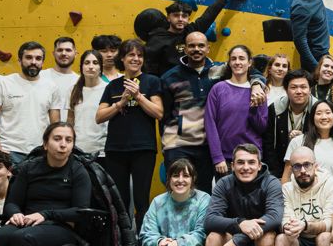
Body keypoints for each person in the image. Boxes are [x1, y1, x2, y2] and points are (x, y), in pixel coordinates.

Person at [0, 121, 92, 246]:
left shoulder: (78, 171)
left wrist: (46, 214)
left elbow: (80, 212)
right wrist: (15, 214)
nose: (63, 144)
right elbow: (11, 203)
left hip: (61, 226)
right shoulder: (28, 168)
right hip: (27, 221)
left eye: (68, 140)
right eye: (57, 139)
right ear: (45, 143)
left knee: (23, 238)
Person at [97, 38, 164, 227]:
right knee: (120, 199)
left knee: (142, 199)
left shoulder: (152, 81)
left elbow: (158, 113)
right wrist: (121, 102)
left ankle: (144, 242)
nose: (136, 59)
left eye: (139, 55)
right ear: (123, 59)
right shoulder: (113, 86)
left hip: (144, 148)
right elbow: (99, 116)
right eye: (131, 55)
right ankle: (124, 243)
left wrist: (138, 96)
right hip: (115, 150)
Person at [159, 31, 219, 192]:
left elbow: (249, 70)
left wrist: (257, 83)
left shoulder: (219, 72)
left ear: (208, 48)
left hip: (208, 146)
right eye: (191, 45)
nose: (196, 49)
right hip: (178, 145)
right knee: (179, 192)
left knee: (204, 194)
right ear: (185, 49)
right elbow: (164, 115)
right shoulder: (170, 77)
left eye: (201, 45)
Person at [144, 0, 240, 76]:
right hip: (165, 86)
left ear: (188, 19)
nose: (180, 19)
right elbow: (149, 70)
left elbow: (210, 14)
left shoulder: (191, 31)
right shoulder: (157, 39)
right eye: (176, 15)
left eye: (184, 16)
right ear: (168, 18)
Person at [0, 41, 52, 166]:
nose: (33, 62)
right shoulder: (3, 83)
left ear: (42, 62)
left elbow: (55, 123)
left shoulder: (51, 87)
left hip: (40, 152)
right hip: (10, 151)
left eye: (38, 58)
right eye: (28, 57)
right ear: (20, 60)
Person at [205, 46, 269, 178]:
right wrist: (217, 157)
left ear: (249, 62)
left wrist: (254, 108)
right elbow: (210, 124)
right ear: (229, 62)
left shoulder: (258, 91)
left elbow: (262, 127)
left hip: (251, 158)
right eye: (233, 59)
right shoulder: (218, 89)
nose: (237, 62)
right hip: (226, 159)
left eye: (242, 58)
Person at [54, 50, 108, 158]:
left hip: (103, 150)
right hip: (78, 150)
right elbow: (70, 121)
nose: (91, 66)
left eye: (95, 63)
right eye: (87, 63)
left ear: (101, 67)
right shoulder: (73, 90)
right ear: (81, 67)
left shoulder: (108, 88)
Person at [264, 70, 313, 179]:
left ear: (310, 89)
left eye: (303, 87)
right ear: (286, 90)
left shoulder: (318, 109)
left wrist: (304, 137)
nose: (299, 91)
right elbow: (268, 144)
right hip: (279, 169)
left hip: (310, 170)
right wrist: (276, 174)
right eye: (294, 87)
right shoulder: (275, 108)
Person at [300, 99, 333, 180]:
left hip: (330, 191)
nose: (324, 117)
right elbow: (288, 173)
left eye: (328, 113)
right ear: (312, 118)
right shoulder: (299, 141)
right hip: (304, 191)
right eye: (318, 113)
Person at [42, 36, 81, 105]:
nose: (63, 53)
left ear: (75, 54)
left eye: (68, 50)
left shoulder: (80, 81)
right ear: (54, 54)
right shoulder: (41, 76)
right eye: (60, 50)